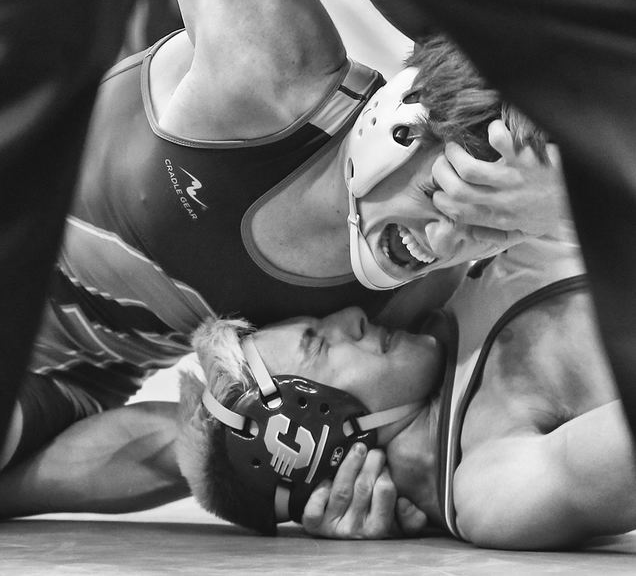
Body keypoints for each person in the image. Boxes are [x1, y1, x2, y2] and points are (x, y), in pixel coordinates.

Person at [3, 0, 636, 458]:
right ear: (397, 132)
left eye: (488, 228)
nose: (441, 245)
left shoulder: (415, 314)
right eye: (440, 199)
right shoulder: (265, 70)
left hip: (87, 377)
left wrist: (567, 208)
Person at [174, 217, 636, 549]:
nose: (351, 318)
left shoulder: (460, 287)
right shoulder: (487, 487)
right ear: (311, 434)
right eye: (319, 345)